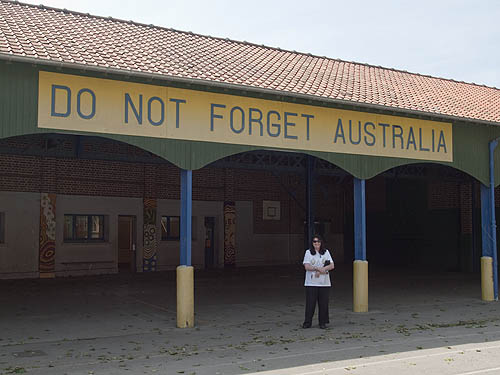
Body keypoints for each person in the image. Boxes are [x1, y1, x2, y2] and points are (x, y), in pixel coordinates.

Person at [302, 234, 335, 329]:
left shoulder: (326, 252)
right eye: (314, 242)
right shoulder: (308, 252)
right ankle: (307, 322)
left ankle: (322, 322)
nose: (316, 243)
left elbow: (332, 265)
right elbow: (307, 266)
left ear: (321, 243)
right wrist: (317, 269)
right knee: (310, 303)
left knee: (323, 303)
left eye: (318, 241)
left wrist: (322, 269)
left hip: (324, 282)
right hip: (311, 282)